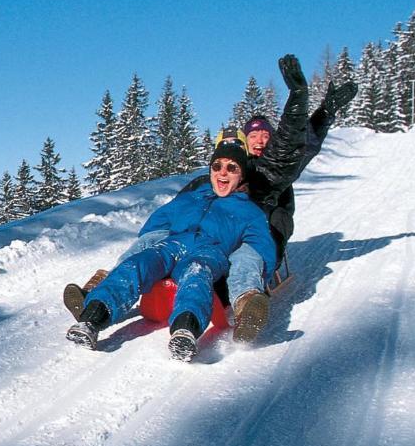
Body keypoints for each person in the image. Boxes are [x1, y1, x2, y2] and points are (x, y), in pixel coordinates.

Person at [64, 55, 358, 343]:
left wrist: (312, 107)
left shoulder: (265, 176)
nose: (260, 140)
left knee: (243, 258)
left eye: (266, 135)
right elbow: (179, 208)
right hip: (195, 237)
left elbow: (293, 146)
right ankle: (99, 292)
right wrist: (160, 232)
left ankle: (245, 303)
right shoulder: (207, 182)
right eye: (252, 136)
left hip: (250, 233)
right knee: (147, 245)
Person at [66, 135, 277, 361]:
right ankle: (91, 319)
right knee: (137, 264)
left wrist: (260, 277)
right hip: (173, 244)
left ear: (241, 175)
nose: (222, 172)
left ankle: (185, 330)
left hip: (210, 251)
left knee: (196, 274)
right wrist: (149, 241)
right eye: (217, 166)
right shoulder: (192, 198)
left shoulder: (249, 211)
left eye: (231, 168)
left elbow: (259, 245)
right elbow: (160, 220)